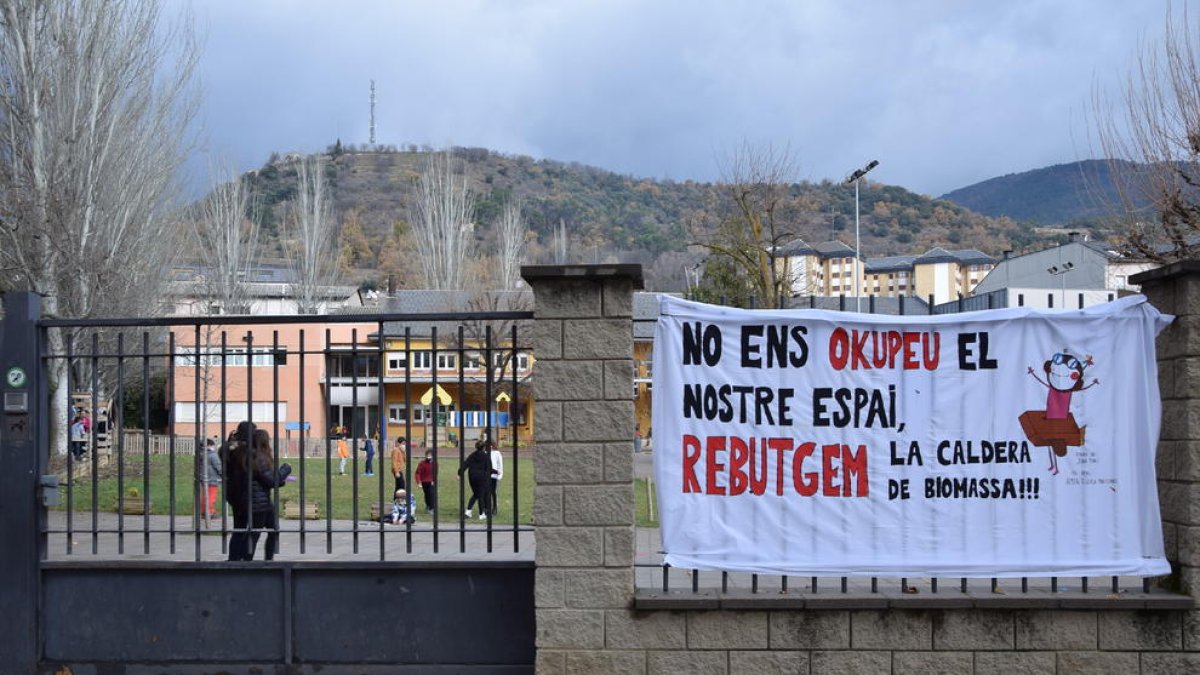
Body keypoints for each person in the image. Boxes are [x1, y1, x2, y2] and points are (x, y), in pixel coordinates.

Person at [223, 423, 292, 561]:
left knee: (243, 530)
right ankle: (246, 561)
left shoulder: (236, 452)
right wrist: (286, 469)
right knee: (254, 533)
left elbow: (266, 479)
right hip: (256, 500)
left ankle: (235, 560)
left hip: (241, 497)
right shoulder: (253, 456)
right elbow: (270, 480)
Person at [459, 439, 492, 519]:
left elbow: (465, 463)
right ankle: (481, 514)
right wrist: (495, 472)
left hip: (472, 477)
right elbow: (489, 468)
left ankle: (468, 511)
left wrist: (460, 473)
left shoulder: (472, 455)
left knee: (476, 494)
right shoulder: (486, 456)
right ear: (484, 447)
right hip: (482, 477)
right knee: (480, 495)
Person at [198, 437, 222, 518]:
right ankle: (210, 512)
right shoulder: (212, 455)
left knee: (204, 496)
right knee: (211, 496)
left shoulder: (199, 454)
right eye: (212, 445)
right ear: (208, 445)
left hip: (203, 478)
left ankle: (203, 512)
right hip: (212, 479)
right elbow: (218, 467)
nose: (213, 447)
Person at [487, 440, 503, 520]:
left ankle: (494, 508)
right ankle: (486, 508)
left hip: (494, 476)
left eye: (490, 445)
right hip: (486, 476)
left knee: (493, 492)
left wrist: (499, 475)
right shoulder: (485, 453)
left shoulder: (497, 453)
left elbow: (500, 464)